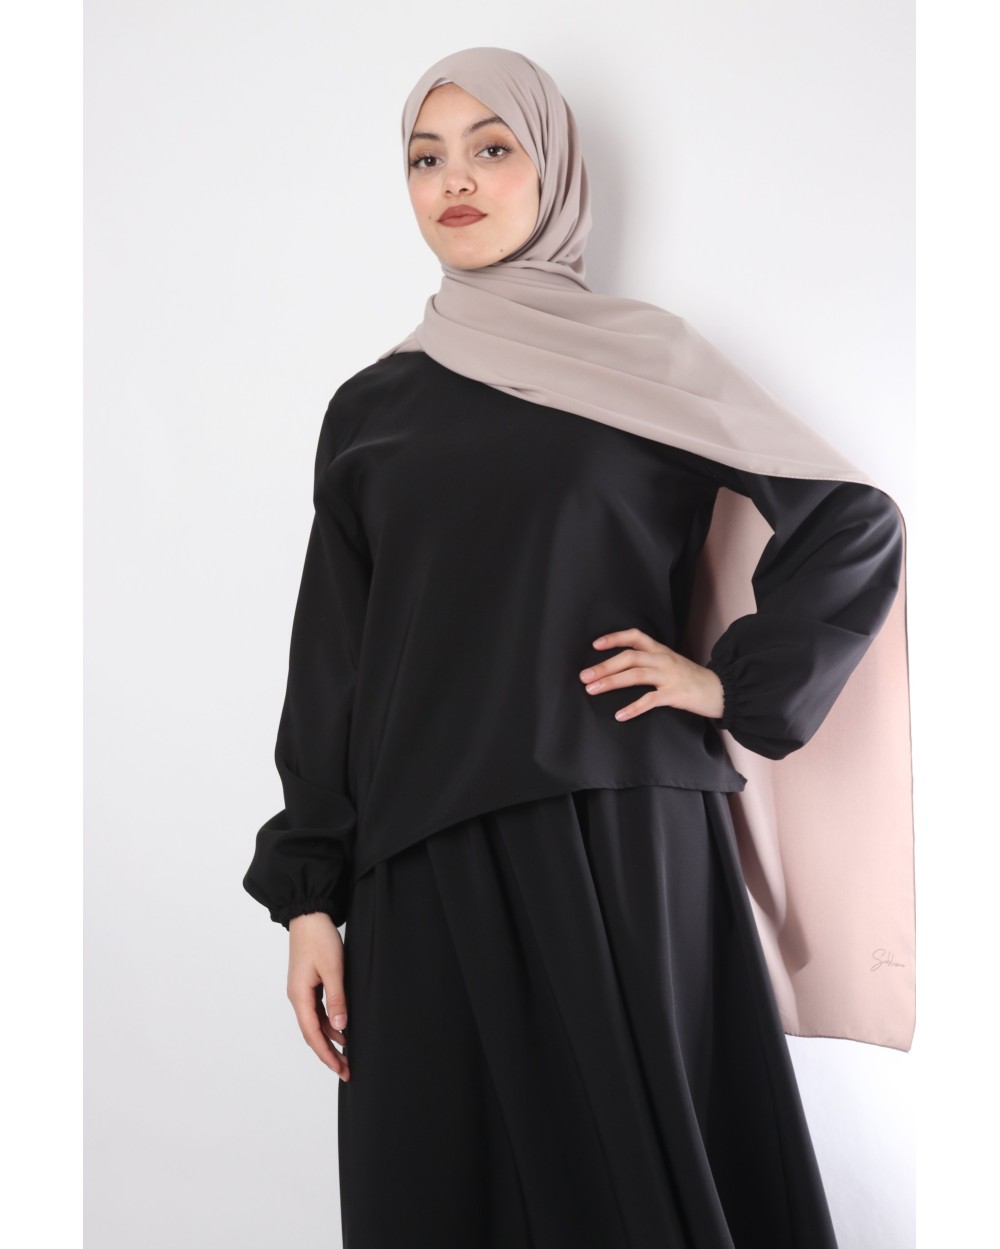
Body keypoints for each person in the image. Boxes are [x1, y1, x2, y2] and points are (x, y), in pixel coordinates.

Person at [243, 46, 913, 1249]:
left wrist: (727, 680)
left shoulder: (642, 362)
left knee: (637, 1192)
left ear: (551, 170)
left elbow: (850, 520)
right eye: (425, 158)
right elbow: (332, 664)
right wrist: (308, 903)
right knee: (444, 1195)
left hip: (619, 832)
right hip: (422, 857)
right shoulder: (371, 410)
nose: (455, 180)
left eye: (491, 148)